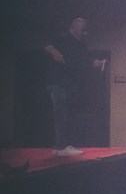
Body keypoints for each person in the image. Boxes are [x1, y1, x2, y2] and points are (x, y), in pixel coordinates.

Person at [44, 16, 106, 155]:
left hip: (70, 84)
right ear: (73, 26)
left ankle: (63, 146)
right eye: (80, 23)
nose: (83, 27)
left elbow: (84, 60)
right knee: (61, 114)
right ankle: (61, 147)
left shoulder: (81, 44)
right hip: (59, 82)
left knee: (68, 114)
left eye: (84, 25)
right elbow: (48, 44)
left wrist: (95, 63)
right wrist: (54, 52)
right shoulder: (63, 38)